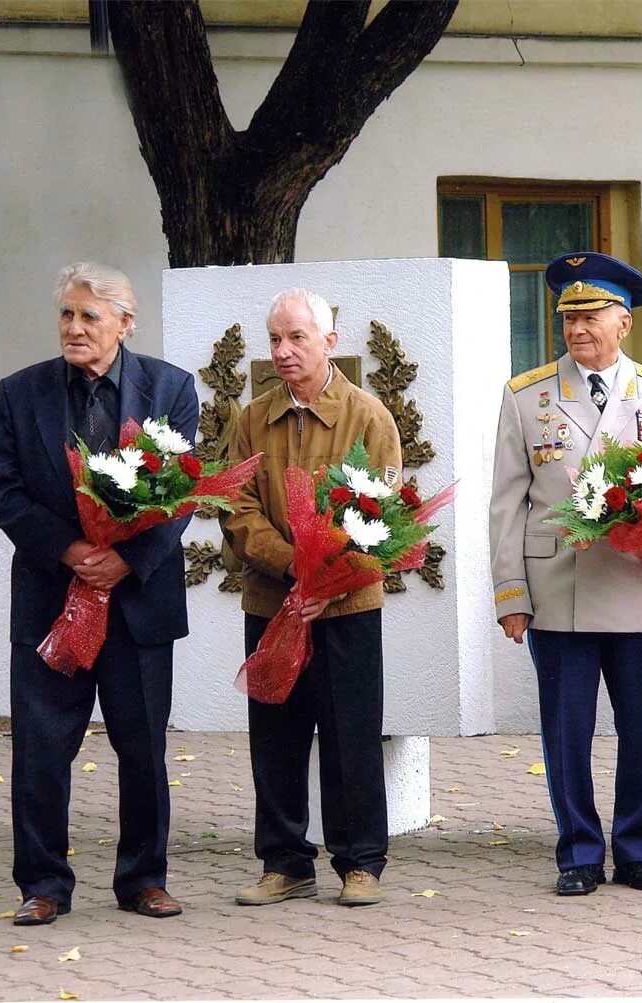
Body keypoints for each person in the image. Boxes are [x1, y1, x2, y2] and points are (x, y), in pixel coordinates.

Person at [0, 262, 197, 925]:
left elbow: (184, 491)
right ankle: (43, 884)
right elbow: (6, 490)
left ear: (125, 323)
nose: (74, 328)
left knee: (141, 750)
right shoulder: (19, 394)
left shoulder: (171, 388)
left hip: (137, 604)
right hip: (52, 596)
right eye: (67, 316)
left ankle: (143, 878)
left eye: (89, 316)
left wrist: (126, 560)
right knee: (42, 750)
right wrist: (73, 552)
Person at [489, 251, 642, 896]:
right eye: (569, 317)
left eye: (593, 316)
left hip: (636, 585)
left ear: (624, 322)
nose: (579, 329)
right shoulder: (525, 396)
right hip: (561, 591)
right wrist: (510, 594)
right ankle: (578, 850)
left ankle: (640, 847)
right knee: (566, 729)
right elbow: (506, 502)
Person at [223, 288, 401, 907]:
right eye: (275, 339)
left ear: (329, 341)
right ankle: (285, 862)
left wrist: (331, 579)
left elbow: (381, 516)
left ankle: (360, 862)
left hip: (347, 608)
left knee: (351, 732)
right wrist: (294, 568)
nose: (283, 350)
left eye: (297, 337)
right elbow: (237, 507)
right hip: (274, 603)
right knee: (275, 730)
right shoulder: (251, 420)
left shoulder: (368, 416)